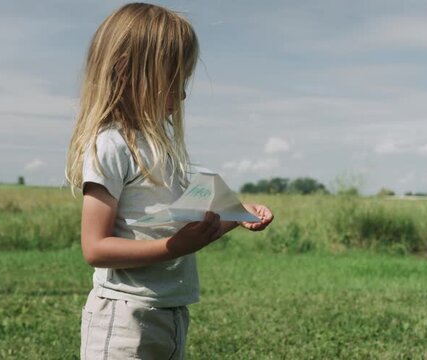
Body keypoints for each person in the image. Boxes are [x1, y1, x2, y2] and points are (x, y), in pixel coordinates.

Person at [65, 3, 274, 359]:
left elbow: (179, 228)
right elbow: (95, 248)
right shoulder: (111, 145)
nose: (182, 94)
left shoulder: (161, 149)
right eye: (174, 80)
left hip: (170, 310)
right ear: (126, 70)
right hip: (124, 317)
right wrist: (172, 248)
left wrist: (235, 217)